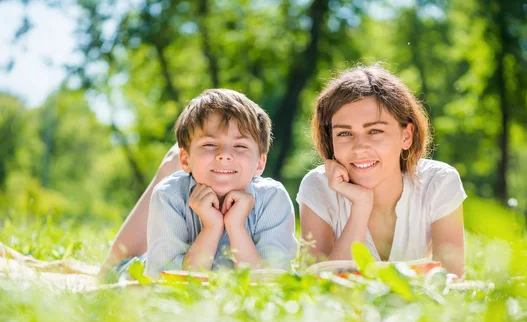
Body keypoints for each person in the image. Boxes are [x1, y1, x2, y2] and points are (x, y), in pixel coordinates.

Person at [296, 64, 466, 277]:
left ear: (406, 136)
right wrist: (360, 206)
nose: (359, 147)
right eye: (344, 134)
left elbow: (451, 281)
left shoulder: (439, 183)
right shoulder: (318, 187)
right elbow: (315, 286)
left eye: (375, 131)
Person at [112, 88, 298, 281]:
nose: (225, 154)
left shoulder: (272, 198)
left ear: (260, 163)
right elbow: (167, 284)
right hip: (140, 269)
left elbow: (272, 282)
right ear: (185, 159)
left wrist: (236, 226)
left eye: (240, 146)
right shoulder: (169, 195)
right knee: (115, 270)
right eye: (209, 144)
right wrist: (211, 228)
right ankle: (109, 268)